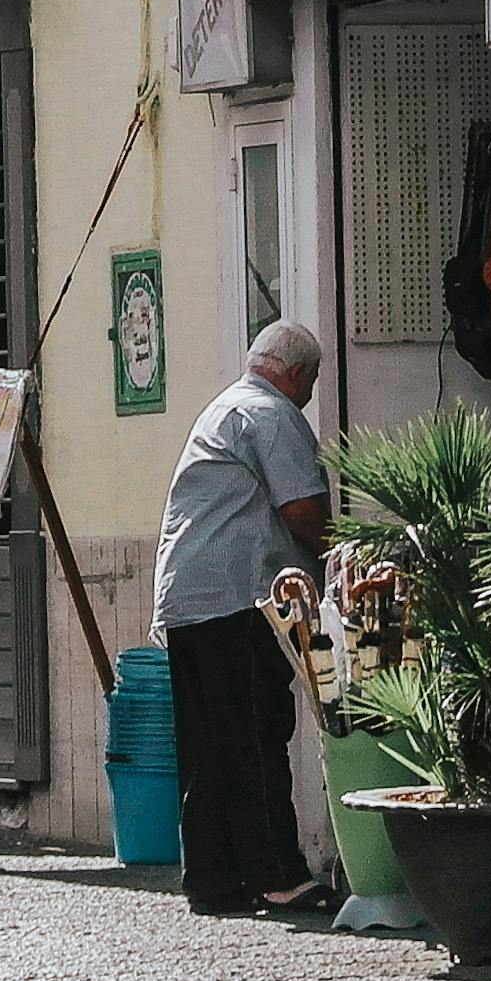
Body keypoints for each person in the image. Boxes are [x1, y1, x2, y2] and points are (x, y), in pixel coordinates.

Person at [154, 321, 336, 919]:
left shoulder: (224, 408)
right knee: (257, 735)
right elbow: (304, 511)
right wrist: (349, 551)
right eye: (310, 381)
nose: (309, 392)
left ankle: (211, 879)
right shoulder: (274, 414)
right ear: (294, 373)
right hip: (237, 598)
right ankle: (275, 873)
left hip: (186, 598)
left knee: (207, 745)